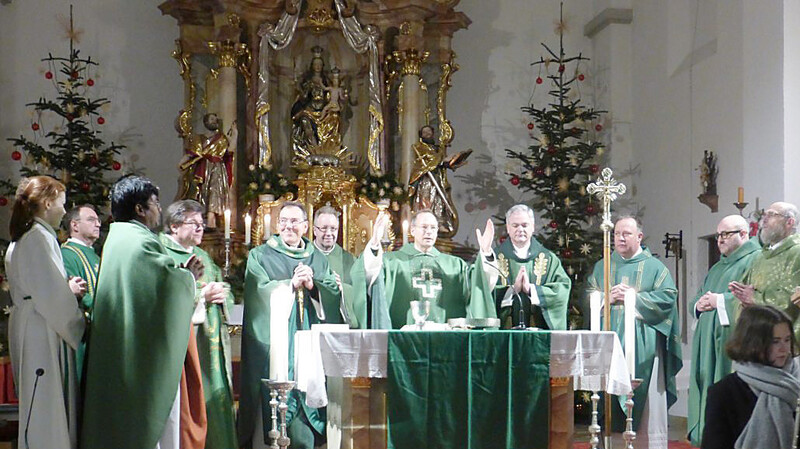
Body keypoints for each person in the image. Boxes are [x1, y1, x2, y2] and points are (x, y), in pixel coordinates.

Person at [81, 175, 207, 449]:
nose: (159, 210)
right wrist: (189, 278)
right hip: (139, 358)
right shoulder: (140, 242)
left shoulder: (119, 236)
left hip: (121, 346)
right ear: (139, 209)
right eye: (155, 204)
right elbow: (164, 288)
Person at [239, 201, 342, 449]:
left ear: (305, 227)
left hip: (309, 345)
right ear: (277, 224)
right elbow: (257, 293)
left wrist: (313, 286)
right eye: (284, 221)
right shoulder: (260, 255)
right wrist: (289, 285)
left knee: (306, 412)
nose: (289, 227)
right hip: (276, 344)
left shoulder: (316, 257)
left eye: (295, 222)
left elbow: (332, 292)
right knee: (273, 404)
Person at [586, 216, 682, 449]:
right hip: (609, 345)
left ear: (639, 236)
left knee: (646, 402)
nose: (620, 237)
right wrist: (606, 298)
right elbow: (590, 295)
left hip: (644, 347)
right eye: (617, 233)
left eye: (626, 233)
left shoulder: (655, 267)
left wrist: (633, 297)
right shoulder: (603, 266)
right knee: (607, 398)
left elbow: (668, 298)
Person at [4, 176, 86, 449]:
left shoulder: (26, 236)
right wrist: (78, 321)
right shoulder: (38, 237)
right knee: (45, 404)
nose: (64, 211)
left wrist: (65, 289)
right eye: (61, 204)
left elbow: (41, 284)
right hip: (41, 326)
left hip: (33, 319)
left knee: (41, 402)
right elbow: (50, 294)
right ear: (48, 203)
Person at [160, 199, 237, 449]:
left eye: (202, 224)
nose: (200, 229)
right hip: (185, 340)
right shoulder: (161, 252)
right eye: (194, 224)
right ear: (173, 226)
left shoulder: (202, 255)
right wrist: (200, 295)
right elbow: (163, 294)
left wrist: (220, 292)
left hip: (211, 344)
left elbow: (227, 290)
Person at [352, 209, 497, 329]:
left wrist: (486, 253)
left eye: (433, 228)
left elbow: (480, 284)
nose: (429, 232)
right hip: (402, 339)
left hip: (446, 337)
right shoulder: (391, 262)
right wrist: (374, 244)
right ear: (413, 230)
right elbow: (368, 275)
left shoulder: (455, 265)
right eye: (424, 227)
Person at [687, 215, 760, 446]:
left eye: (726, 234)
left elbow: (754, 295)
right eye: (718, 235)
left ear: (744, 234)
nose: (720, 239)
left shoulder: (755, 260)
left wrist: (720, 300)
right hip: (707, 339)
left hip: (730, 337)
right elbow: (698, 297)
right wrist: (698, 305)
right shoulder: (718, 266)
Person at [701, 305, 800, 449]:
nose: (783, 349)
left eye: (787, 340)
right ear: (754, 343)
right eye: (775, 341)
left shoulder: (795, 381)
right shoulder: (725, 392)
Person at [476, 204, 571, 329]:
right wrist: (511, 290)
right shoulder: (493, 258)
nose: (520, 229)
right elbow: (481, 290)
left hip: (539, 335)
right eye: (515, 225)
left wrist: (532, 290)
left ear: (532, 227)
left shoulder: (549, 259)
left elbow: (562, 289)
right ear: (508, 228)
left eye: (525, 225)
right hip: (504, 334)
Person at [730, 202, 800, 334]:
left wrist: (754, 298)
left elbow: (792, 297)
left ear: (789, 222)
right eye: (765, 214)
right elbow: (743, 294)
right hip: (756, 338)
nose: (764, 219)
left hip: (784, 339)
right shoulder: (760, 257)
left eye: (772, 214)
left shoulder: (796, 252)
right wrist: (742, 300)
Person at [60, 204, 101, 380]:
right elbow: (79, 291)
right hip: (83, 331)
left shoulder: (95, 255)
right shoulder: (68, 253)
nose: (98, 224)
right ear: (74, 225)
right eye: (91, 220)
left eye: (98, 220)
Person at [408, 125, 471, 238]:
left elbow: (441, 162)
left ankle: (439, 223)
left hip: (438, 179)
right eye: (424, 132)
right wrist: (438, 162)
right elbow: (420, 166)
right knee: (426, 202)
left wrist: (453, 161)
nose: (427, 134)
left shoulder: (437, 149)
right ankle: (423, 224)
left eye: (429, 132)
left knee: (439, 202)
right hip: (426, 180)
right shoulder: (419, 147)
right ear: (421, 135)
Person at [178, 113, 237, 227]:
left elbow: (230, 151)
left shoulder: (221, 138)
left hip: (217, 168)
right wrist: (181, 163)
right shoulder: (198, 139)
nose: (214, 121)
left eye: (215, 119)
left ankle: (211, 218)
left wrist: (235, 135)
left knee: (214, 191)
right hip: (202, 168)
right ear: (205, 122)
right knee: (200, 192)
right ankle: (201, 217)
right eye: (211, 119)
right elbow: (192, 154)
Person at [312, 205, 356, 325]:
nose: (329, 233)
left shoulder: (349, 260)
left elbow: (359, 294)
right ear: (314, 230)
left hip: (340, 325)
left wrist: (342, 289)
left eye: (333, 229)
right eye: (324, 228)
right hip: (312, 323)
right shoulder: (306, 255)